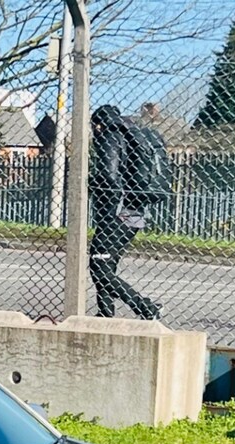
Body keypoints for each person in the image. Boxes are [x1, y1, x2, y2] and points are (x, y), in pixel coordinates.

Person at [88, 104, 160, 321]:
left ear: (98, 124)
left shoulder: (109, 137)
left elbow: (108, 176)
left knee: (99, 266)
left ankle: (145, 307)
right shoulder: (134, 136)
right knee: (106, 264)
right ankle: (105, 312)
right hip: (135, 211)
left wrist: (90, 182)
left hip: (117, 212)